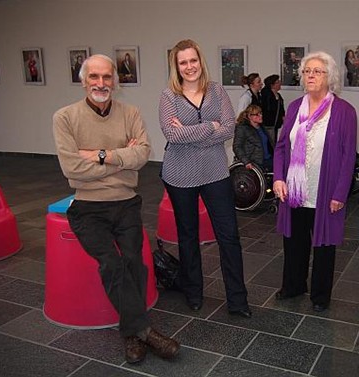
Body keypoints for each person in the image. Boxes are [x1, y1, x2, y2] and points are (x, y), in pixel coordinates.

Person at [52, 54, 180, 364]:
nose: (101, 83)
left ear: (116, 81)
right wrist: (121, 158)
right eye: (94, 77)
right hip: (87, 206)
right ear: (84, 81)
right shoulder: (65, 117)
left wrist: (97, 155)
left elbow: (143, 155)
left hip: (125, 202)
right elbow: (72, 169)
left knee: (135, 261)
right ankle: (144, 333)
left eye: (107, 77)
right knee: (111, 263)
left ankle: (132, 334)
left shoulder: (131, 112)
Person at [159, 39, 251, 318]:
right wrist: (209, 127)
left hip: (215, 173)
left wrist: (192, 132)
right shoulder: (168, 96)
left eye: (193, 60)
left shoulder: (216, 90)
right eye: (183, 62)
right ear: (176, 66)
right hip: (180, 175)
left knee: (229, 236)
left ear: (201, 61)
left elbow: (228, 129)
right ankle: (193, 293)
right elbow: (172, 135)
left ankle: (238, 300)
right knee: (188, 236)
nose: (189, 66)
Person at [272, 51, 357, 313]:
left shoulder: (344, 111)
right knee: (294, 243)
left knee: (324, 246)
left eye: (317, 71)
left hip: (325, 191)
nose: (310, 75)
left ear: (329, 77)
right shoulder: (295, 107)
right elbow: (282, 146)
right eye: (307, 71)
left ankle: (320, 295)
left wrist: (340, 194)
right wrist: (278, 178)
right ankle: (293, 286)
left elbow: (348, 156)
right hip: (295, 191)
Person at [233, 104, 274, 171]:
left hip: (268, 159)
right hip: (255, 162)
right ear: (249, 116)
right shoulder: (242, 128)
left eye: (261, 113)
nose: (260, 116)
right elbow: (237, 147)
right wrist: (246, 162)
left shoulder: (262, 128)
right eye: (257, 114)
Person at [260, 74, 285, 143]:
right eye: (277, 82)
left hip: (275, 124)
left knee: (273, 142)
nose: (280, 83)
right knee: (269, 143)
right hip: (268, 124)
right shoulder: (266, 94)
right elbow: (269, 109)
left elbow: (281, 109)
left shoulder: (278, 95)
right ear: (272, 85)